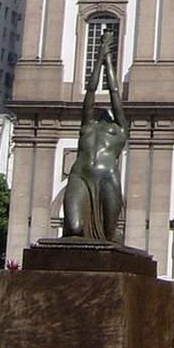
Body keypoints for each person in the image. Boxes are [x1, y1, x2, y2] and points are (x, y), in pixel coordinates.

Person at [62, 26, 128, 242]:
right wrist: (99, 57)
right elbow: (90, 92)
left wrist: (109, 59)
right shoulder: (87, 126)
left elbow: (115, 92)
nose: (102, 110)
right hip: (81, 175)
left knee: (110, 235)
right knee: (73, 228)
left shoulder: (119, 129)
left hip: (108, 177)